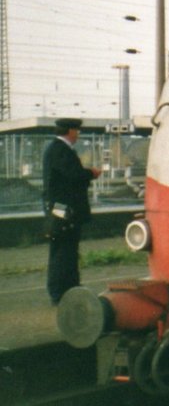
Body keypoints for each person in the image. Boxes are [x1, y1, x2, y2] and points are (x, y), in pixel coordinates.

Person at [43, 117, 100, 305]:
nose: (78, 135)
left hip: (60, 206)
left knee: (65, 247)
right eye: (77, 131)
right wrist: (90, 173)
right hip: (62, 207)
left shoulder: (57, 149)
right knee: (64, 248)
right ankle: (61, 292)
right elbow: (73, 176)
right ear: (70, 131)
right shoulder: (61, 150)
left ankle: (69, 288)